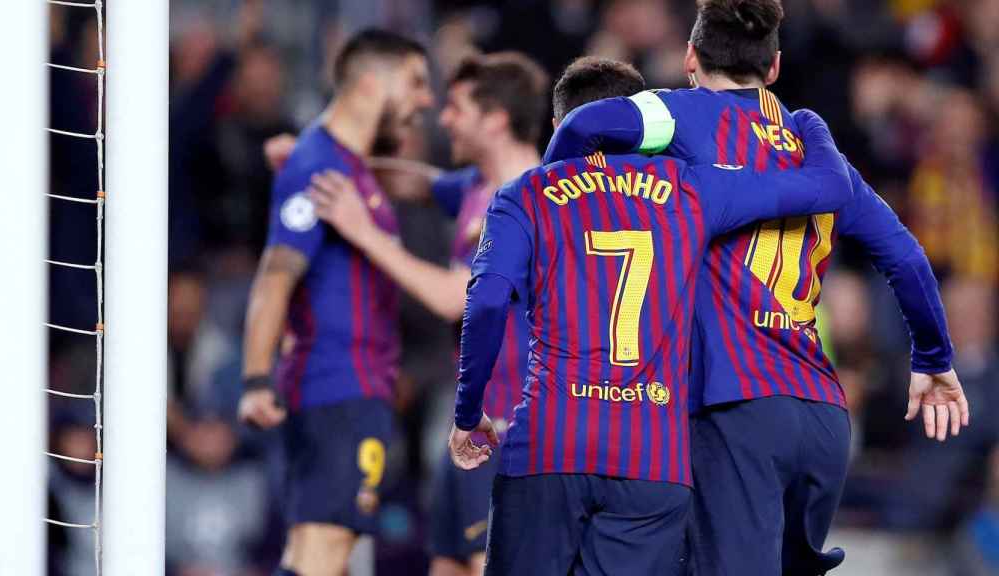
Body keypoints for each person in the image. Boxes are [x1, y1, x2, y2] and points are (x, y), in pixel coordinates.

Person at [542, 1, 971, 574]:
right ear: (773, 68)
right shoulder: (814, 147)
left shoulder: (678, 113)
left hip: (738, 409)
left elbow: (582, 124)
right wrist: (934, 357)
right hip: (821, 416)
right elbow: (906, 257)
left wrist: (552, 217)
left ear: (690, 58)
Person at [451, 57, 855, 574]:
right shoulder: (692, 188)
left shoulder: (525, 195)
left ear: (559, 127)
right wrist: (813, 126)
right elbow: (825, 187)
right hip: (652, 459)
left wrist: (468, 413)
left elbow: (484, 301)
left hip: (549, 441)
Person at [308, 51, 549, 576]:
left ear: (496, 118)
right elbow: (413, 180)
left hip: (508, 424)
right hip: (469, 419)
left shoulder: (529, 199)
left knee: (486, 564)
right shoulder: (475, 187)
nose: (443, 119)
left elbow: (454, 297)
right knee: (445, 563)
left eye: (457, 107)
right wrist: (319, 159)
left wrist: (360, 228)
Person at [235, 29, 433, 576]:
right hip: (338, 387)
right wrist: (254, 377)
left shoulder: (343, 165)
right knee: (322, 555)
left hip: (347, 388)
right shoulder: (318, 167)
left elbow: (429, 184)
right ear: (372, 83)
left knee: (319, 557)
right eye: (415, 82)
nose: (425, 100)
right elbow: (276, 273)